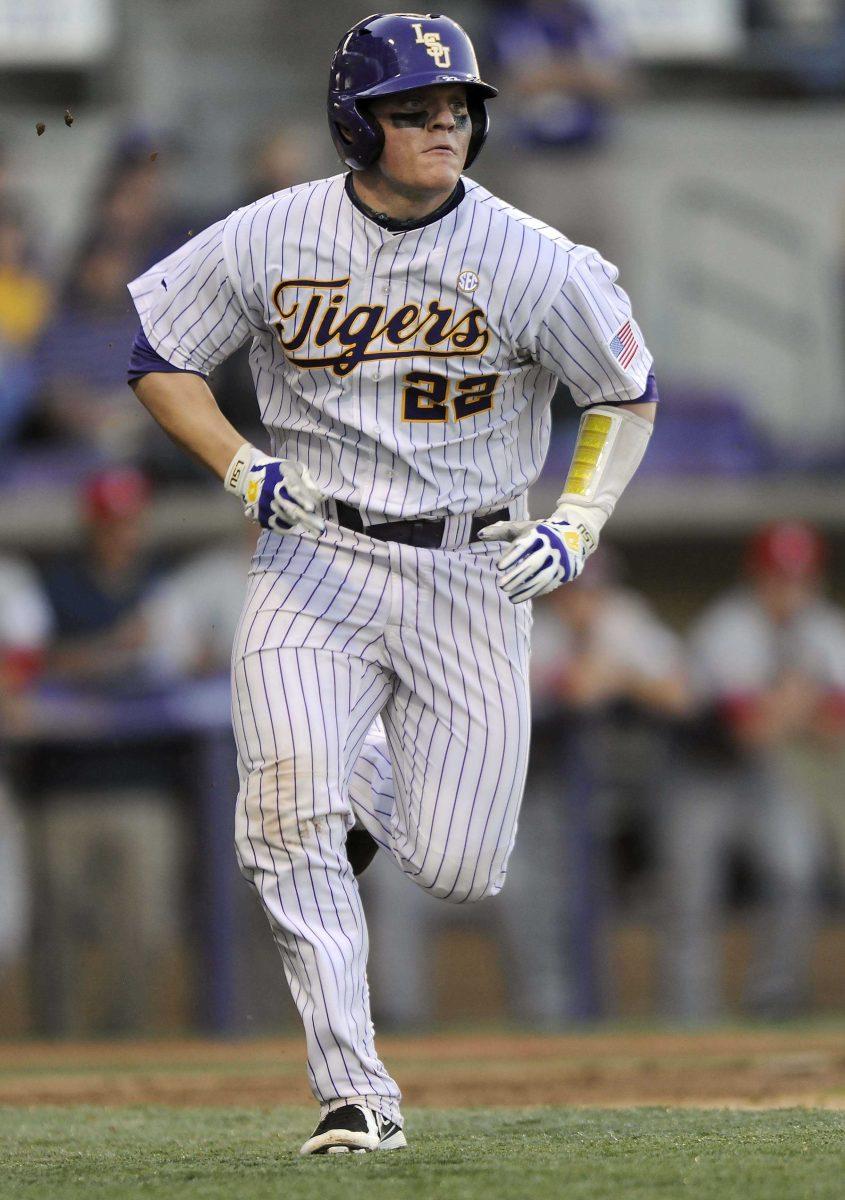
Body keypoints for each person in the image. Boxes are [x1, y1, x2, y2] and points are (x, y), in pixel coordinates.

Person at [126, 12, 656, 1155]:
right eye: (414, 109)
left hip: (473, 565)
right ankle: (355, 1096)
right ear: (353, 120)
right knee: (283, 816)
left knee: (464, 866)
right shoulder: (273, 232)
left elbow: (626, 390)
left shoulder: (530, 255)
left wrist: (576, 523)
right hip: (313, 553)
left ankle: (356, 785)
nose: (443, 126)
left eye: (457, 107)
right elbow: (155, 353)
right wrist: (238, 461)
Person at [660, 522, 845, 1020]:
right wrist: (805, 703)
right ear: (756, 576)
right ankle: (689, 1014)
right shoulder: (729, 627)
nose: (789, 589)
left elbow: (836, 729)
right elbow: (747, 729)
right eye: (778, 577)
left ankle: (775, 1000)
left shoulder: (824, 628)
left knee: (795, 867)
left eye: (800, 578)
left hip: (762, 772)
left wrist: (791, 708)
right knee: (692, 892)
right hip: (699, 771)